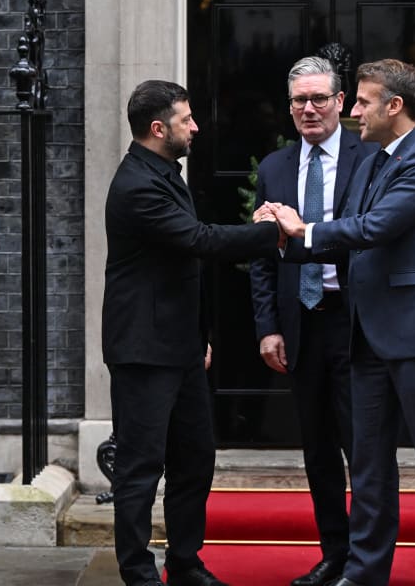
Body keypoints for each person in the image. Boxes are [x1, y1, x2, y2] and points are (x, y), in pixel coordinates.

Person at [264, 59, 415, 586]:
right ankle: (363, 573)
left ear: (394, 106)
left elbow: (374, 227)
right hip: (367, 336)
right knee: (369, 466)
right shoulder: (375, 161)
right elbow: (347, 235)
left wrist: (304, 230)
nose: (353, 111)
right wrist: (277, 238)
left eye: (361, 102)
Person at [102, 80, 283, 586]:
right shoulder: (137, 185)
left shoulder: (164, 173)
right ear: (158, 128)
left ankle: (184, 562)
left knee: (196, 459)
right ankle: (139, 574)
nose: (195, 127)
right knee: (140, 469)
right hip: (142, 350)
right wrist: (275, 233)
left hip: (178, 347)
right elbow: (198, 241)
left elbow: (177, 265)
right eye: (186, 119)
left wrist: (198, 336)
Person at [249, 56, 377, 586]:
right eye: (299, 100)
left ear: (340, 102)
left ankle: (369, 560)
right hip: (300, 325)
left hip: (356, 323)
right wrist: (267, 326)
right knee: (319, 450)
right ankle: (335, 555)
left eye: (319, 98)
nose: (308, 109)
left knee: (363, 448)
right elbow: (261, 256)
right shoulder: (275, 168)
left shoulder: (369, 157)